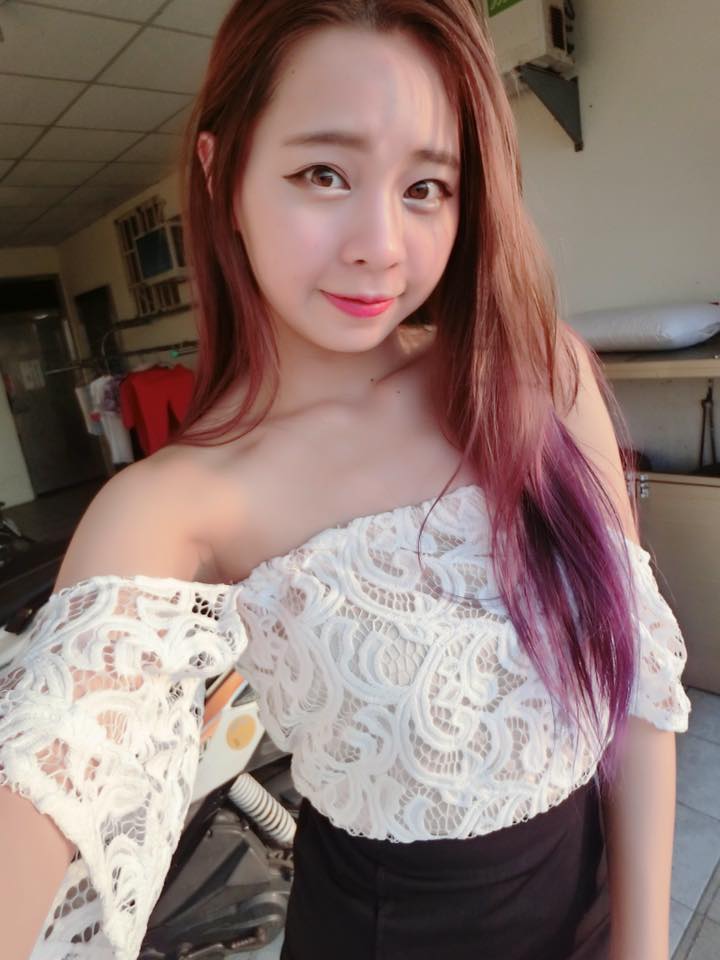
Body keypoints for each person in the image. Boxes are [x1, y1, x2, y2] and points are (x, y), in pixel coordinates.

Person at [0, 1, 691, 958]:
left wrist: (641, 947)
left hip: (594, 917)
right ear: (222, 174)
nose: (381, 245)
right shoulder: (178, 506)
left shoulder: (537, 373)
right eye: (323, 173)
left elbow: (641, 681)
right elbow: (49, 772)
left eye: (426, 187)